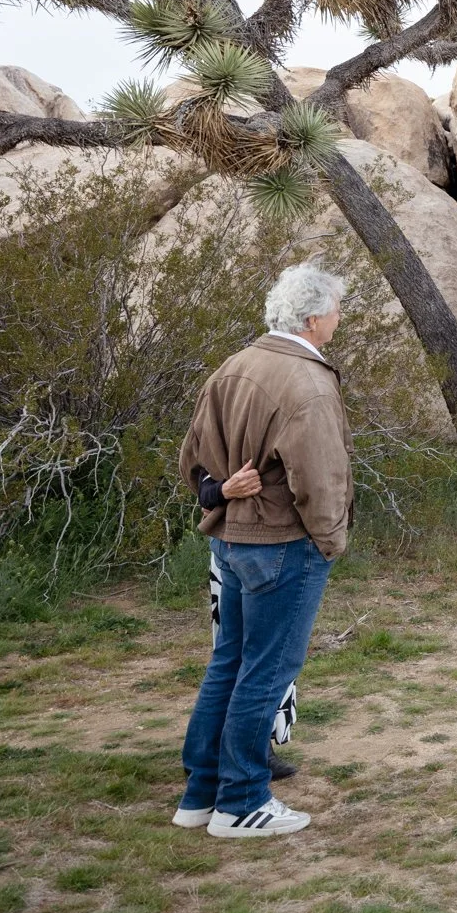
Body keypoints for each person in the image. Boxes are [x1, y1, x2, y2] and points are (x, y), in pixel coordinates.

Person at [172, 263, 354, 838]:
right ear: (313, 317)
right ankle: (242, 802)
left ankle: (202, 793)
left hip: (230, 541)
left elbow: (191, 456)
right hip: (282, 544)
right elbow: (319, 478)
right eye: (335, 310)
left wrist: (217, 494)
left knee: (230, 662)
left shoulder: (235, 366)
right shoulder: (307, 382)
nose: (339, 319)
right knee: (266, 669)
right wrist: (330, 541)